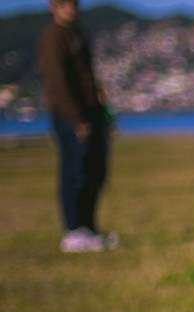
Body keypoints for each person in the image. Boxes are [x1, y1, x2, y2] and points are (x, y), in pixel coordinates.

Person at [38, 0, 118, 252]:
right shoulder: (53, 36)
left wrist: (103, 114)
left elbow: (89, 77)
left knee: (95, 171)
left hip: (92, 112)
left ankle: (89, 228)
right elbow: (58, 82)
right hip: (70, 116)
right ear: (52, 6)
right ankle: (73, 231)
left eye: (73, 2)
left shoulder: (78, 31)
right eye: (63, 2)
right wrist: (77, 119)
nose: (70, 7)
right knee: (75, 172)